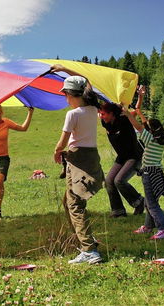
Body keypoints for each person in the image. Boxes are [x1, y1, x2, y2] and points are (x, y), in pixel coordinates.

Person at [51, 64, 104, 265]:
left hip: (77, 160)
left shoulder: (72, 114)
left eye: (66, 94)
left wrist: (57, 151)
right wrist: (65, 69)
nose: (65, 99)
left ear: (71, 94)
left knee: (75, 205)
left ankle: (90, 251)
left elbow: (63, 141)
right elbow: (87, 80)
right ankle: (87, 242)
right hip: (91, 157)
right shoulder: (92, 109)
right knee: (69, 202)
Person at [122, 89, 164, 240]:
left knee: (151, 204)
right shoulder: (159, 140)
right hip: (157, 172)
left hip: (149, 174)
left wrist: (127, 114)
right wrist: (139, 106)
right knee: (151, 202)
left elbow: (139, 126)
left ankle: (163, 229)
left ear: (150, 131)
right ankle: (148, 226)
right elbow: (145, 124)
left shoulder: (149, 139)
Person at [99, 97, 145, 218]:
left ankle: (139, 202)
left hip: (134, 156)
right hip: (122, 157)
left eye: (103, 114)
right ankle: (118, 211)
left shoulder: (124, 120)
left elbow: (135, 111)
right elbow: (97, 105)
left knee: (119, 181)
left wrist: (139, 98)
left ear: (112, 114)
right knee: (109, 181)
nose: (101, 116)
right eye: (100, 114)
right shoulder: (104, 122)